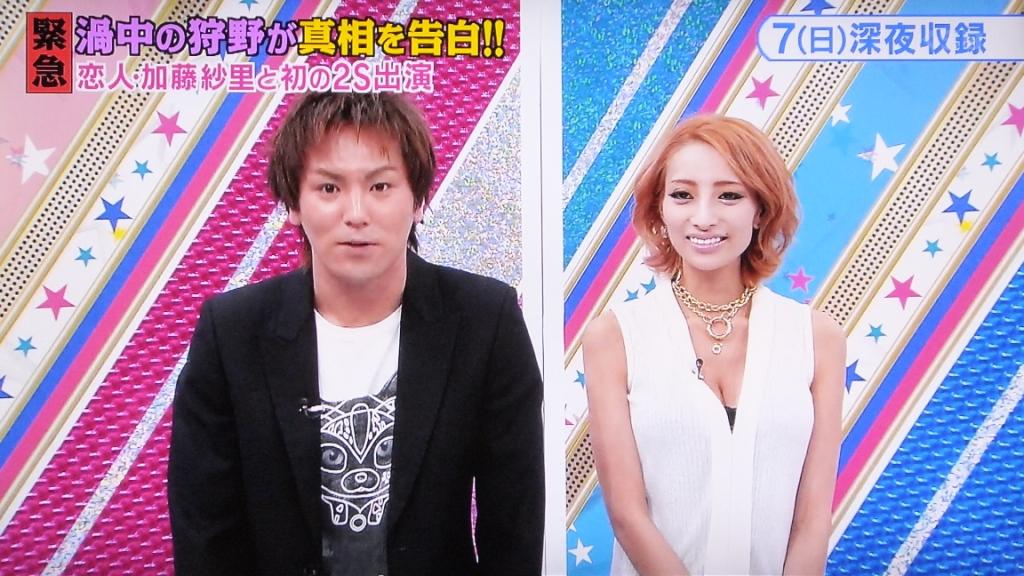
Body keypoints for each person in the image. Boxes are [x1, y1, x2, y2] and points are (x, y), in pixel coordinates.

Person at [167, 91, 545, 576]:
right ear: (294, 203)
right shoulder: (233, 331)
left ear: (418, 200)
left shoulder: (485, 320)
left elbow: (514, 519)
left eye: (381, 186)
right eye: (329, 188)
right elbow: (205, 528)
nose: (357, 213)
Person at [582, 115, 845, 575]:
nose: (703, 217)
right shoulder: (615, 336)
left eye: (729, 195)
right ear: (660, 209)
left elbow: (812, 519)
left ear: (760, 209)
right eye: (682, 195)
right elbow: (627, 514)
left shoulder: (817, 337)